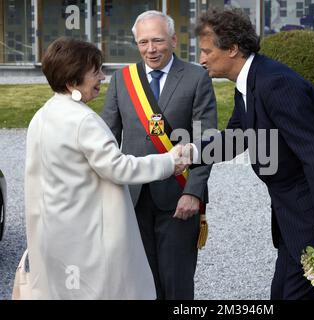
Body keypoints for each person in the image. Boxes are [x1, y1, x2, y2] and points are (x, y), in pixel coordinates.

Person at [193, 8, 314, 300]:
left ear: (232, 49)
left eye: (206, 51)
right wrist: (188, 153)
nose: (201, 59)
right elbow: (234, 138)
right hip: (295, 218)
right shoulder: (248, 83)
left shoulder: (275, 83)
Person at [23, 37, 190, 299]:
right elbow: (119, 168)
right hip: (87, 234)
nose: (102, 76)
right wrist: (170, 161)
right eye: (94, 71)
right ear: (72, 81)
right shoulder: (83, 119)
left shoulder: (43, 114)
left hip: (55, 232)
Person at [101, 10, 217, 300]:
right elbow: (107, 141)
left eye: (157, 41)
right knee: (140, 282)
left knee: (176, 281)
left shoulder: (196, 77)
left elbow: (207, 140)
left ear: (174, 40)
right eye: (143, 42)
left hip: (179, 196)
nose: (150, 49)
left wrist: (194, 191)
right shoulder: (122, 79)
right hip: (132, 197)